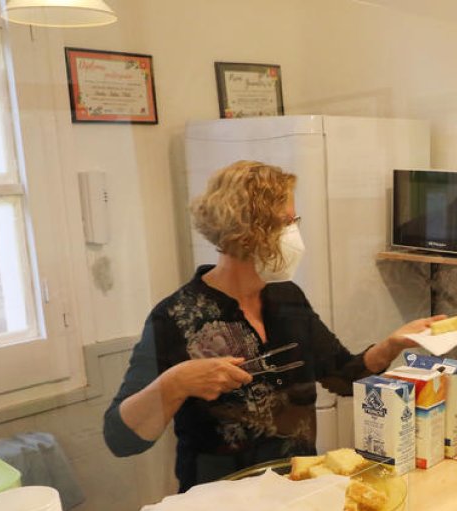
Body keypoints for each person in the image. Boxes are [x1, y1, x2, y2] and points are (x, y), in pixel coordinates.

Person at [104, 160, 439, 491]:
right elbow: (120, 438)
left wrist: (392, 344)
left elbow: (341, 375)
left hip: (294, 490)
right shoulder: (176, 316)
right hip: (219, 505)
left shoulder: (287, 298)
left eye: (295, 221)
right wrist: (175, 383)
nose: (295, 235)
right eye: (284, 223)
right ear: (244, 232)